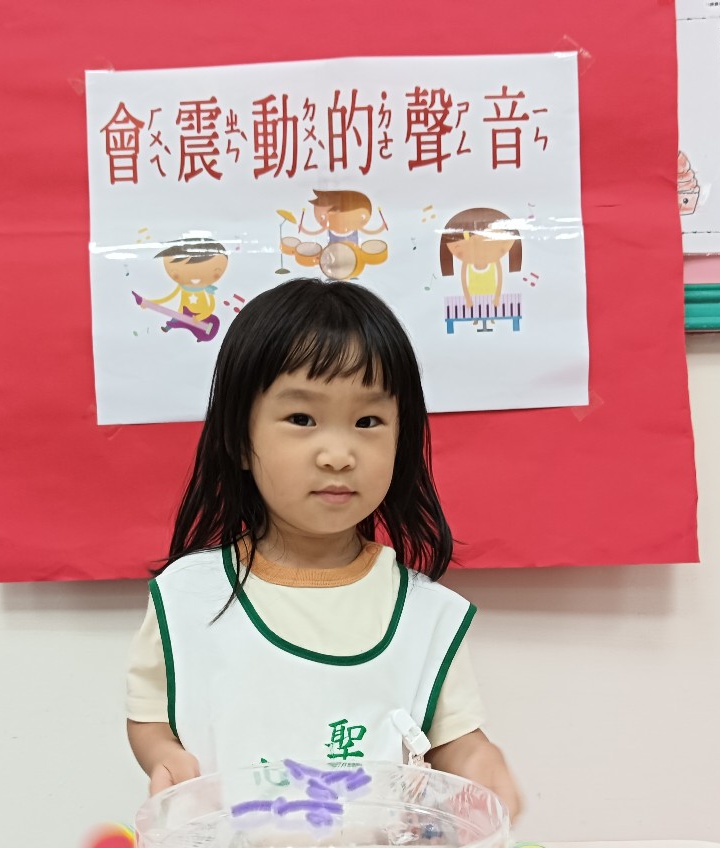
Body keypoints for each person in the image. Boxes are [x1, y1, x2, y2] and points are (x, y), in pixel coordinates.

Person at [124, 279, 521, 819]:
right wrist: (164, 757)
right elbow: (150, 714)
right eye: (302, 419)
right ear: (239, 439)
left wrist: (481, 765)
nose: (338, 454)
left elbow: (456, 739)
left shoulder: (427, 614)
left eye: (368, 422)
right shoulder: (187, 596)